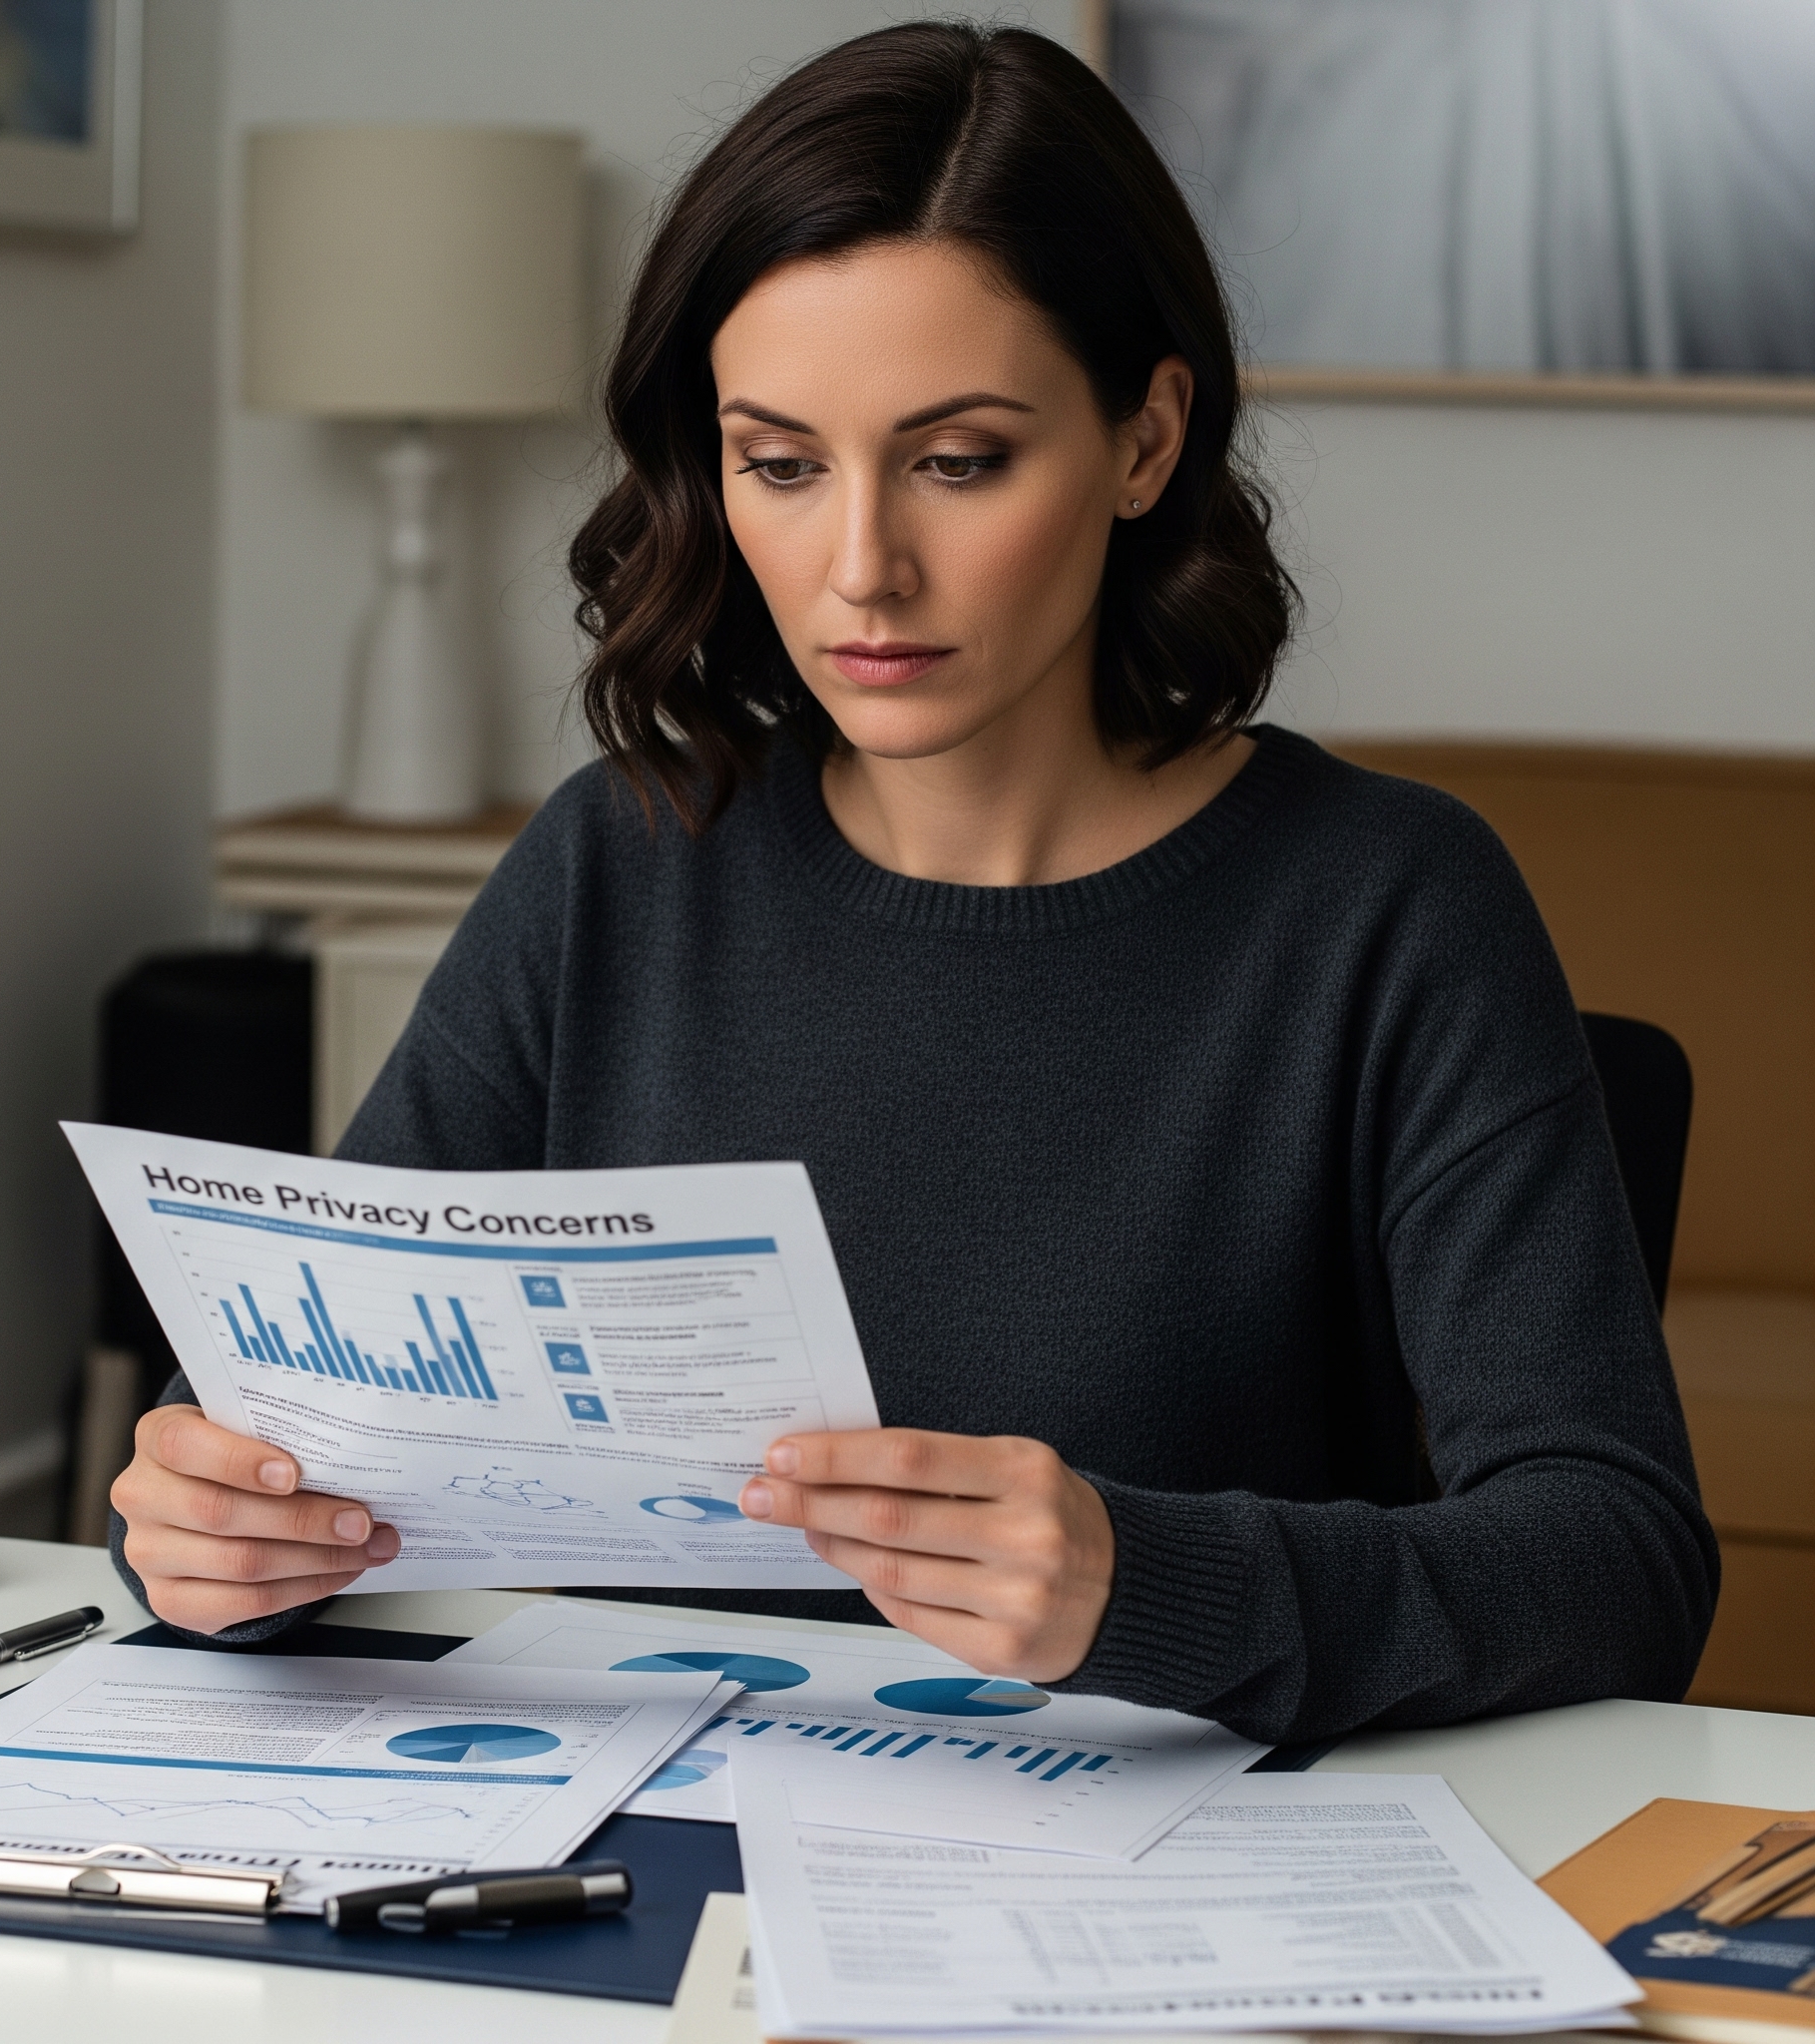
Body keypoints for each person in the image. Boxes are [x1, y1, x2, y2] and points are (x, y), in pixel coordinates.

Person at [108, 22, 1715, 1746]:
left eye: (958, 461)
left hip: (1137, 1905)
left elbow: (1618, 1561)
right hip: (610, 1863)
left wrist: (1145, 1583)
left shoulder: (1386, 906)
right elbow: (284, 1433)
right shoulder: (617, 865)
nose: (860, 566)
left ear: (1148, 439)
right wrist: (210, 1530)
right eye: (781, 465)